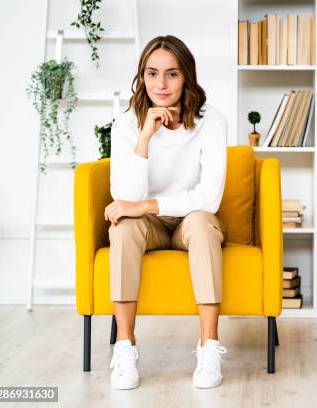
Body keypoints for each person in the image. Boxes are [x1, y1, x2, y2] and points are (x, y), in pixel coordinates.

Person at [103, 35, 228, 390]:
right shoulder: (126, 123)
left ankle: (208, 347)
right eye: (152, 73)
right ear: (141, 77)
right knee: (124, 228)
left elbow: (209, 198)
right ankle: (125, 348)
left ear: (186, 77)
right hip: (149, 226)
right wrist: (145, 136)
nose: (161, 84)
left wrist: (146, 205)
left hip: (192, 220)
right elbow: (125, 197)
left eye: (172, 74)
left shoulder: (211, 121)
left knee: (203, 224)